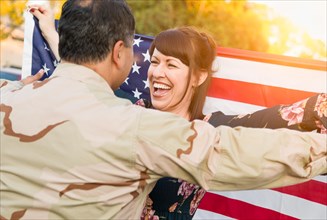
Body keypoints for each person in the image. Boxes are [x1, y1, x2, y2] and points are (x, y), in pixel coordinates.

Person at [1, 1, 326, 219]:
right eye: (153, 61)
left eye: (172, 64)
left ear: (199, 75)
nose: (155, 72)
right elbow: (84, 68)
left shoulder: (212, 127)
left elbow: (296, 115)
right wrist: (48, 31)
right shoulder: (130, 111)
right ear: (119, 53)